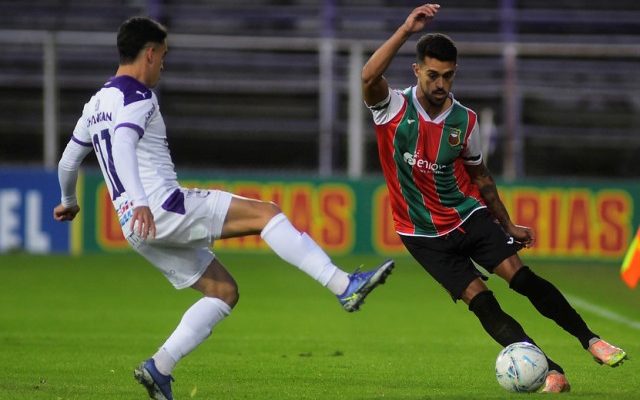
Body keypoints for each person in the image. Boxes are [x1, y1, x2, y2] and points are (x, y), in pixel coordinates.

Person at [53, 16, 394, 400]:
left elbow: (68, 163)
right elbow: (123, 144)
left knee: (222, 291)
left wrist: (69, 202)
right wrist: (143, 202)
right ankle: (344, 285)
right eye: (163, 56)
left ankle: (159, 367)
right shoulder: (137, 96)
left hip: (135, 229)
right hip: (162, 208)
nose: (163, 64)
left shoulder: (96, 103)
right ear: (149, 54)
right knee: (266, 214)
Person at [361, 3, 627, 393]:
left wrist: (507, 223)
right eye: (433, 75)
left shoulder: (465, 121)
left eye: (448, 77)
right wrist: (405, 29)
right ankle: (548, 369)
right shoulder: (392, 108)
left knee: (522, 279)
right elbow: (368, 75)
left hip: (467, 216)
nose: (440, 85)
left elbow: (481, 177)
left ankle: (592, 340)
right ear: (416, 70)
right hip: (420, 236)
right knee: (482, 302)